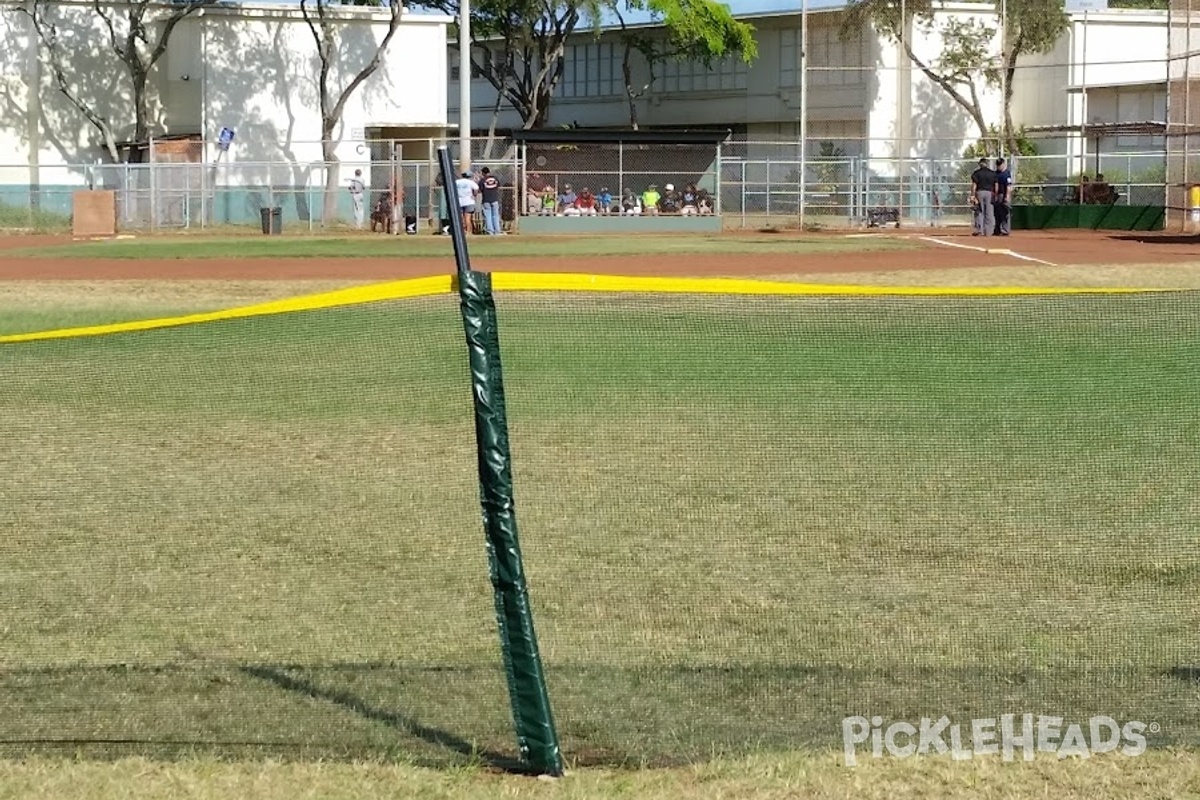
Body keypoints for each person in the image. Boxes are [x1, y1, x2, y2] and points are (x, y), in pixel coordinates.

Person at [969, 158, 997, 237]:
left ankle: (979, 230)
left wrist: (972, 195)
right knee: (989, 212)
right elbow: (996, 185)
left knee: (979, 211)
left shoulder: (976, 173)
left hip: (980, 192)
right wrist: (995, 194)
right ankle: (988, 231)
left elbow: (974, 185)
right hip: (989, 193)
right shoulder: (992, 173)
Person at [479, 167, 503, 235]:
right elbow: (498, 186)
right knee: (496, 215)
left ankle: (490, 231)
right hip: (495, 199)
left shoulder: (482, 180)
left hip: (486, 200)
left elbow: (480, 190)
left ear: (483, 173)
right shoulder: (495, 179)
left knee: (488, 216)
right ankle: (497, 231)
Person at [993, 157, 1012, 236]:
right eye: (997, 165)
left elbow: (1008, 186)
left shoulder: (1006, 174)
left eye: (1000, 165)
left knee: (1004, 213)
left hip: (1003, 194)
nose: (999, 166)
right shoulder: (996, 173)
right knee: (997, 213)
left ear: (1003, 164)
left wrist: (1007, 196)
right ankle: (997, 229)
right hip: (997, 195)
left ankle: (1005, 229)